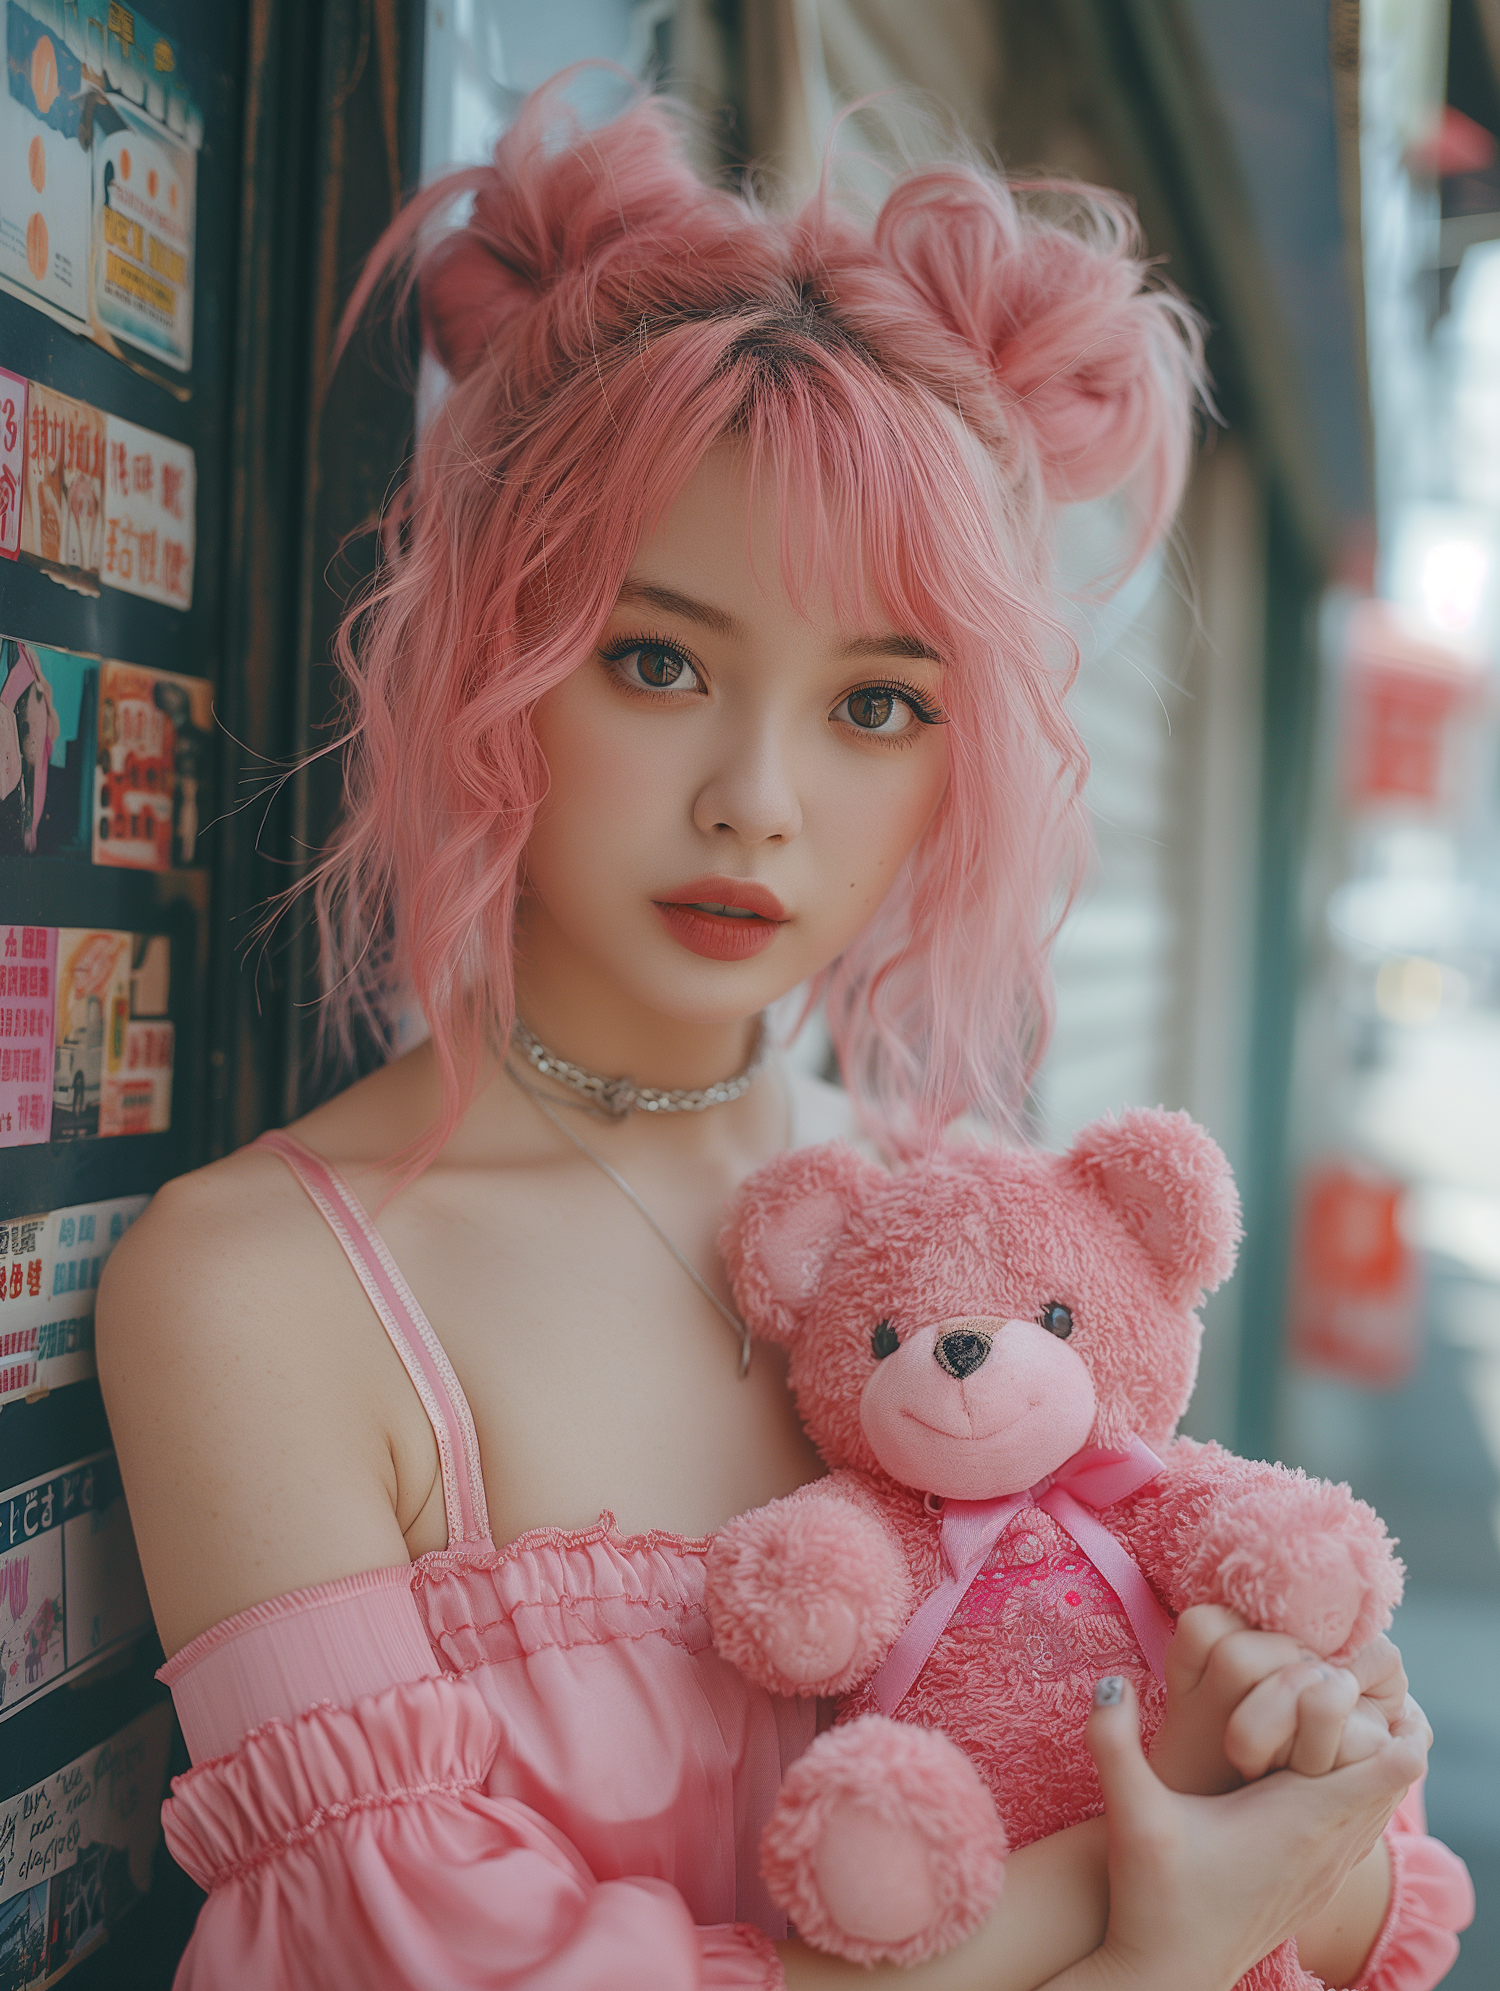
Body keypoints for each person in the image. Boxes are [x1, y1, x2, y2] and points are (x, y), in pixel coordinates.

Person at [97, 79, 1467, 1991]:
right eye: (658, 662)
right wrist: (1134, 1901)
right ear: (495, 655)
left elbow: (1335, 1871)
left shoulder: (976, 1233)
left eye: (876, 704)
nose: (757, 799)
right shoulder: (267, 1289)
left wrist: (1296, 1799)